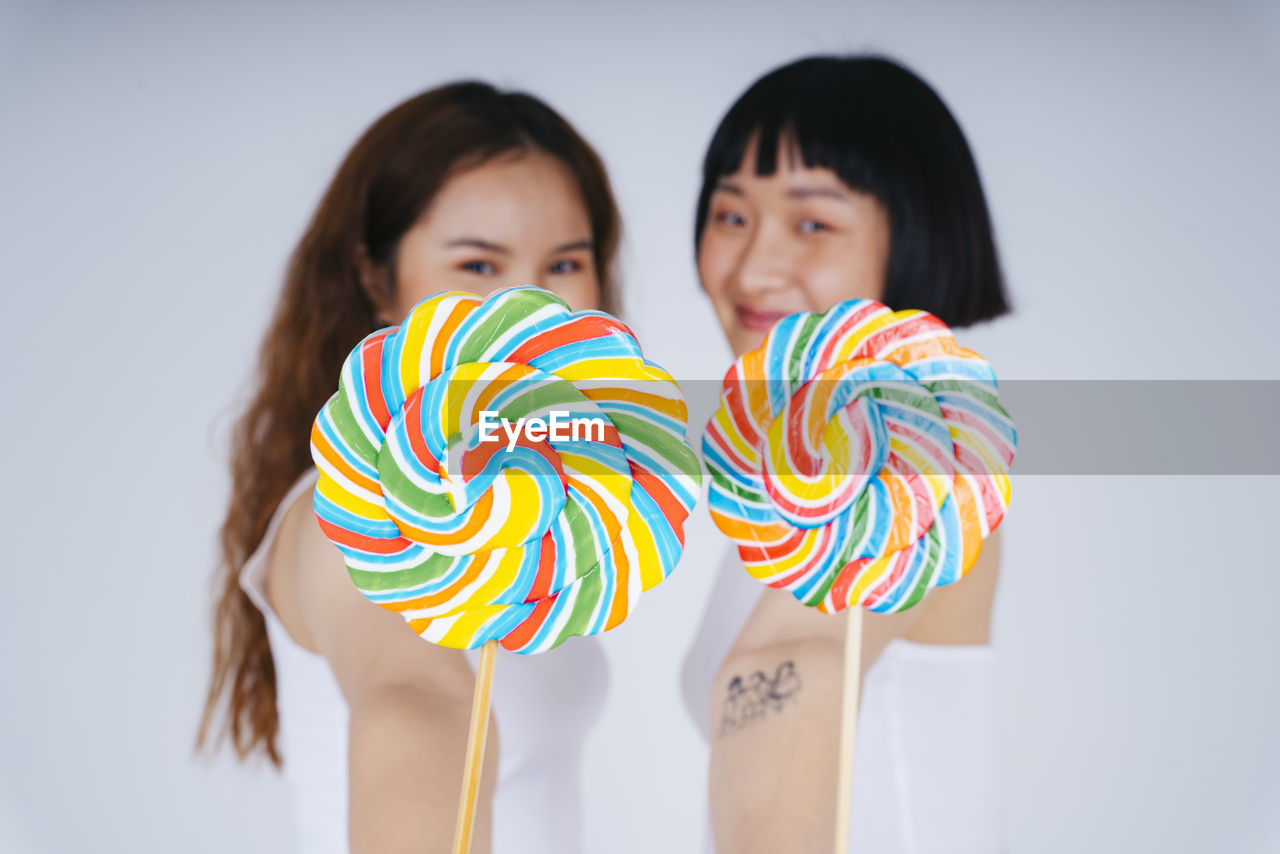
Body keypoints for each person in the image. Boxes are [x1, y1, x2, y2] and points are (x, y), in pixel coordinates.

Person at [198, 81, 621, 854]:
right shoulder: (350, 511)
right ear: (376, 280)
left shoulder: (538, 506)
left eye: (563, 264)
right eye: (479, 267)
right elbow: (417, 699)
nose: (526, 308)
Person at [681, 55, 1012, 853]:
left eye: (812, 223)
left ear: (917, 234)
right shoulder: (800, 451)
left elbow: (796, 659)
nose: (753, 267)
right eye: (730, 217)